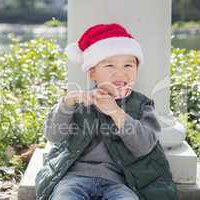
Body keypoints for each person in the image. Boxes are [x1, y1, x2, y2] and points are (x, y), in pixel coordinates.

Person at [35, 23, 177, 200]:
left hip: (122, 181)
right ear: (92, 73)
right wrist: (67, 103)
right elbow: (54, 136)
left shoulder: (142, 105)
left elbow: (144, 146)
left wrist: (117, 113)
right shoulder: (80, 101)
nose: (120, 73)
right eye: (110, 66)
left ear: (136, 70)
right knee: (64, 196)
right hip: (74, 178)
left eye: (128, 66)